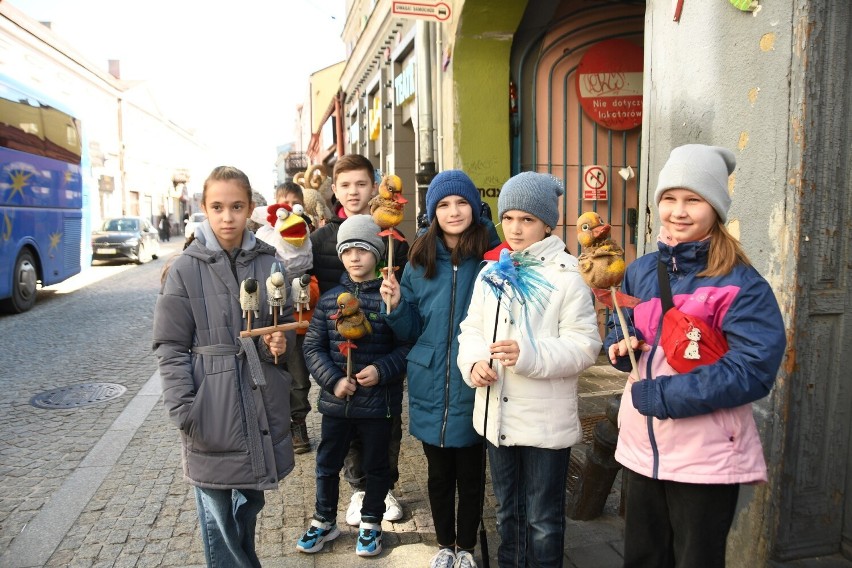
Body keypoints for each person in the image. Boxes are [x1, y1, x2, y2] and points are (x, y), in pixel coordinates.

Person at [604, 144, 786, 568]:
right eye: (669, 198)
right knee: (644, 559)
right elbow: (622, 326)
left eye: (693, 200)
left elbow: (753, 369)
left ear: (715, 207)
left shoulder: (741, 282)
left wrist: (666, 396)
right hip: (641, 448)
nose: (678, 211)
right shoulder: (642, 270)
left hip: (705, 456)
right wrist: (620, 345)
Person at [458, 171, 602, 568]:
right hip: (496, 415)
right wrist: (474, 363)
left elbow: (585, 345)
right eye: (508, 218)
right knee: (508, 512)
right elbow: (471, 328)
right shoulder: (492, 272)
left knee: (542, 519)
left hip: (544, 422)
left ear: (546, 223)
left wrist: (529, 355)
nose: (515, 229)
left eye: (527, 220)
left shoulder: (568, 275)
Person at [153, 166, 295, 567]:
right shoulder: (184, 268)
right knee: (216, 515)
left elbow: (281, 333)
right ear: (204, 208)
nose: (227, 217)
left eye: (236, 206)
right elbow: (170, 345)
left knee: (249, 501)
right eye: (217, 207)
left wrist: (279, 346)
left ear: (250, 208)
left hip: (258, 399)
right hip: (210, 407)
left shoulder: (271, 265)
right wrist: (185, 410)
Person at [380, 170, 499, 568]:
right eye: (444, 205)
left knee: (471, 473)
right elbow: (411, 328)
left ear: (474, 207)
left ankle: (466, 546)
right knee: (438, 475)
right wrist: (395, 305)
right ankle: (444, 545)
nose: (453, 211)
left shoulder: (491, 258)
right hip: (430, 379)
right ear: (433, 212)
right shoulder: (418, 259)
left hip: (474, 378)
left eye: (461, 203)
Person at [298, 215, 410, 557]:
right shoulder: (331, 300)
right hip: (337, 405)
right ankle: (324, 521)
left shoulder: (390, 298)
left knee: (377, 466)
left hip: (378, 404)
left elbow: (406, 346)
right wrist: (332, 380)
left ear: (377, 253)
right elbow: (313, 346)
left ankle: (371, 522)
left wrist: (381, 370)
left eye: (363, 249)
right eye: (347, 251)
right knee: (327, 463)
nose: (355, 257)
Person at [309, 153, 409, 525]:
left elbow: (406, 301)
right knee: (343, 431)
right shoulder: (321, 239)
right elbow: (308, 288)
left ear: (374, 186)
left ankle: (384, 488)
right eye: (346, 185)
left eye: (361, 184)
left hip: (380, 354)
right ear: (334, 190)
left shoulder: (394, 238)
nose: (354, 192)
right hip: (338, 354)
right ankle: (357, 491)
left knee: (385, 429)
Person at [252, 182, 318, 454]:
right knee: (271, 374)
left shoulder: (303, 236)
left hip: (299, 324)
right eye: (284, 203)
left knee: (299, 377)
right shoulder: (265, 238)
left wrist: (307, 290)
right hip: (270, 321)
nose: (289, 208)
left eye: (295, 203)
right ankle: (275, 425)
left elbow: (312, 274)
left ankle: (298, 421)